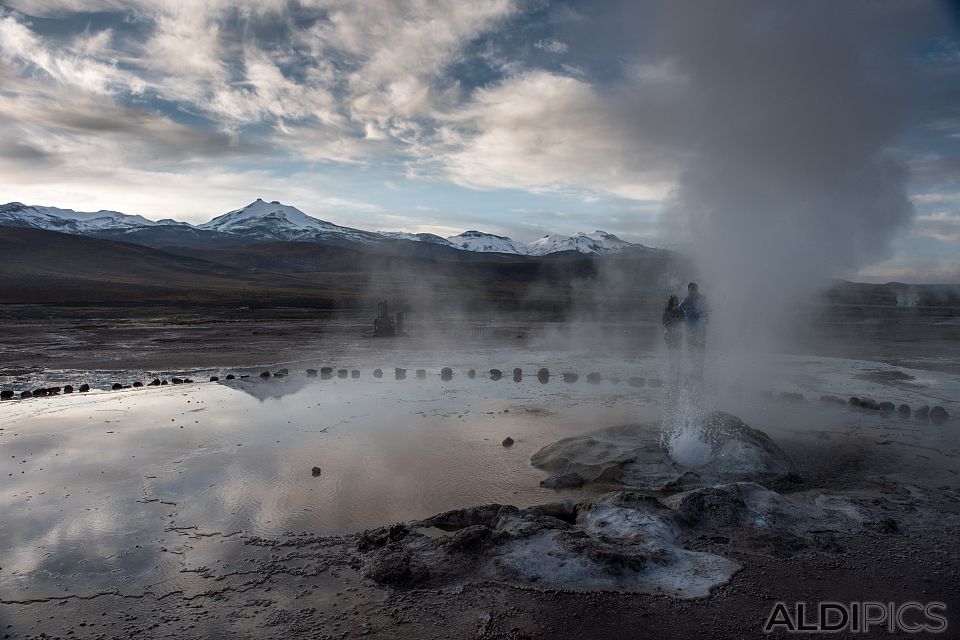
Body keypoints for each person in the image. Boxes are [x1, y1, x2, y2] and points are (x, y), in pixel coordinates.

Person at [678, 282, 708, 380]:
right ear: (688, 290)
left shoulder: (702, 299)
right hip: (690, 328)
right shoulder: (686, 300)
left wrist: (705, 320)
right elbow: (679, 309)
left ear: (696, 290)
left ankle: (700, 369)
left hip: (700, 328)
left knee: (700, 348)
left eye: (693, 290)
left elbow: (706, 311)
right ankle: (694, 368)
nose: (691, 292)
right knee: (691, 348)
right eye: (690, 290)